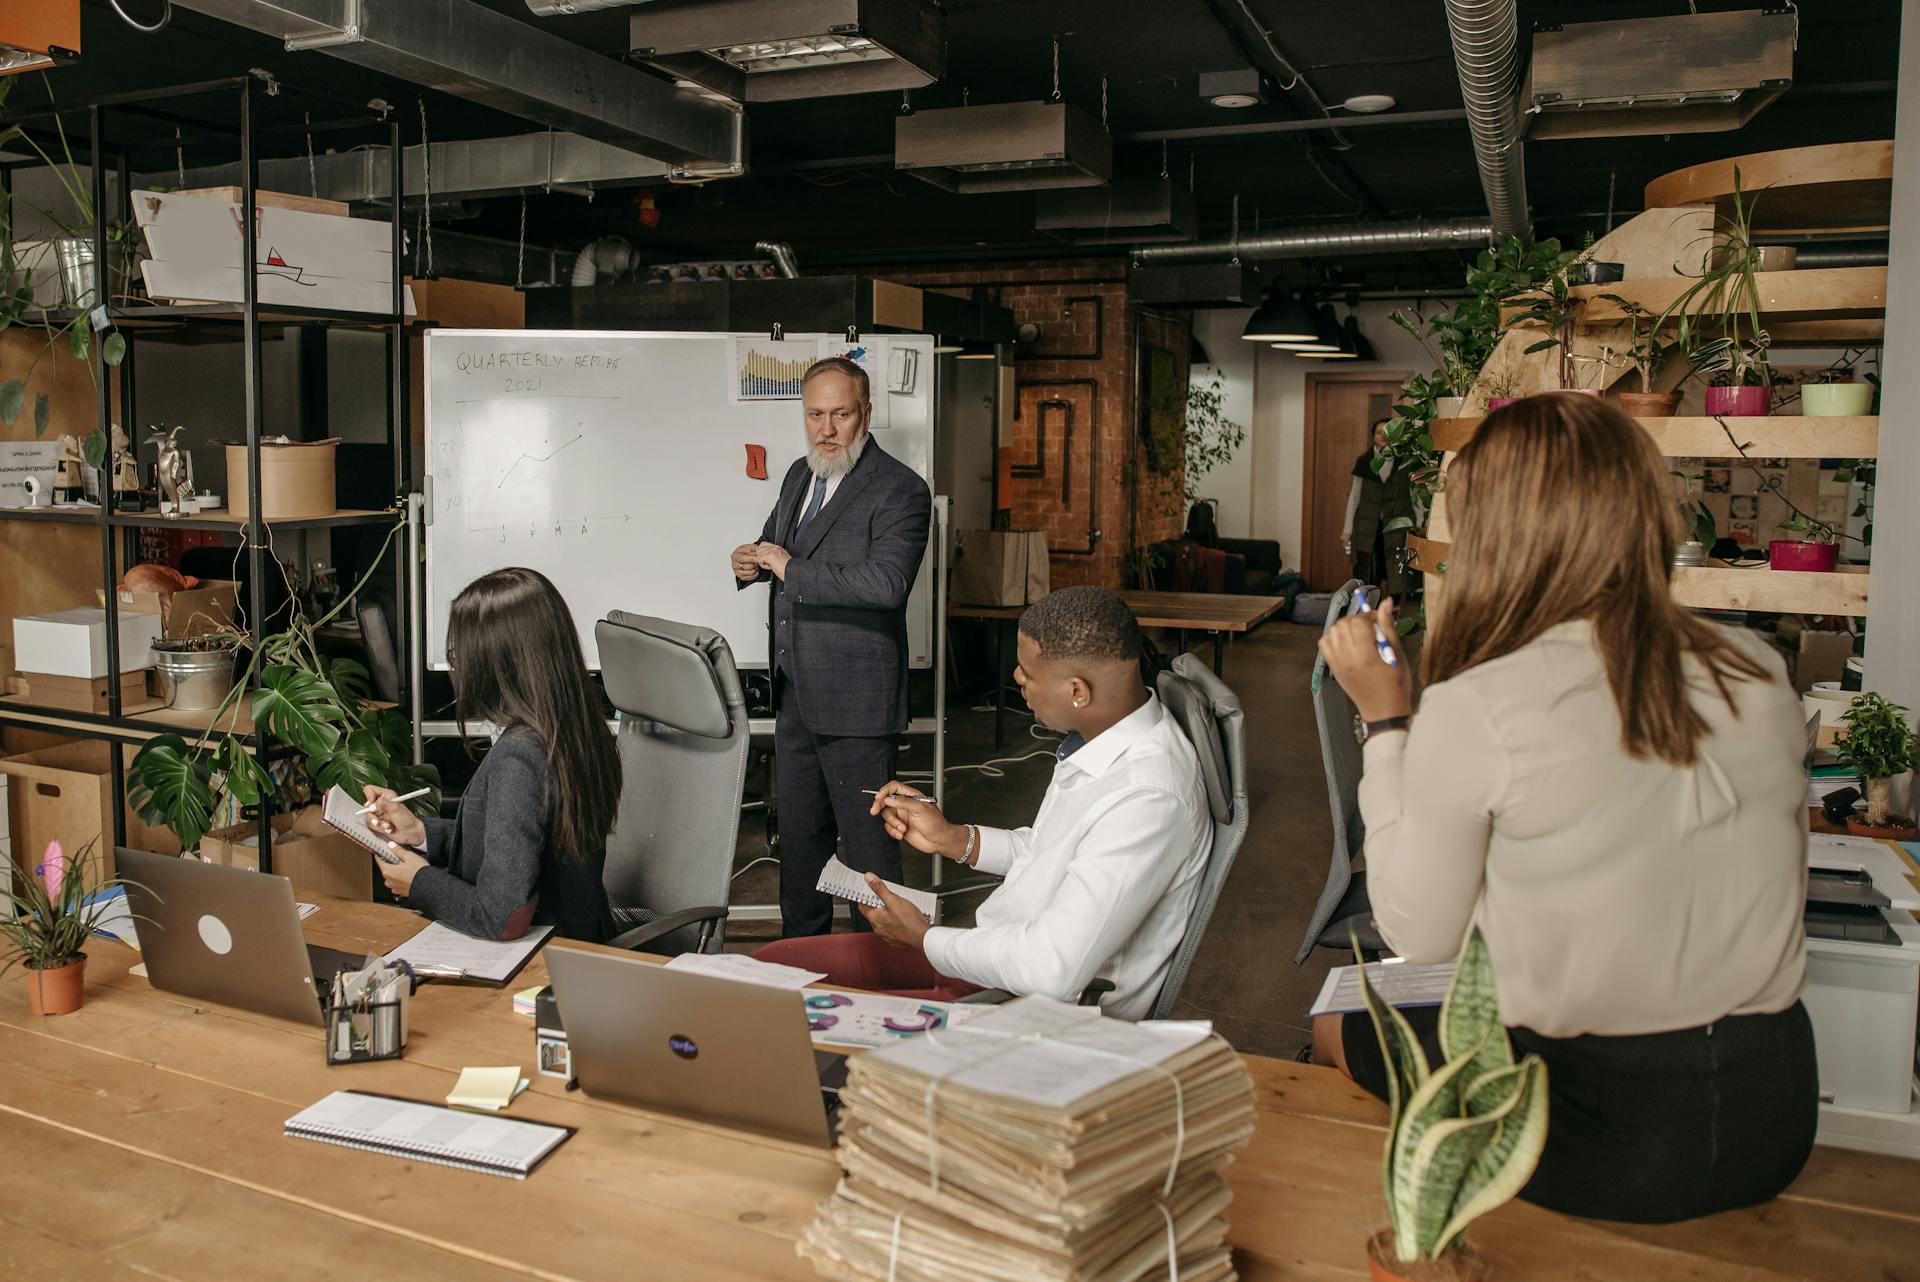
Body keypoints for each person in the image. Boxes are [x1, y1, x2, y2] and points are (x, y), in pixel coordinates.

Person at [1313, 393, 1816, 1224]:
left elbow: (1417, 932)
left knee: (1338, 1016)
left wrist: (1386, 718)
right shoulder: (1757, 669)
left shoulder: (1484, 703)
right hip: (1775, 1105)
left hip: (1607, 1129)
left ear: (1495, 535)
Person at [755, 586, 1211, 1020]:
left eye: (1028, 673)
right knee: (776, 966)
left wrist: (924, 938)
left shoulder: (1147, 797)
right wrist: (954, 840)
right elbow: (1052, 852)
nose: (1017, 679)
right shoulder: (1109, 739)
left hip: (1022, 1007)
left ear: (1077, 691)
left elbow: (1051, 969)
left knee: (777, 999)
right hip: (995, 967)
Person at [730, 356, 932, 938]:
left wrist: (788, 565)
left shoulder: (900, 489)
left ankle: (884, 971)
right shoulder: (800, 473)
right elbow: (776, 545)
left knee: (869, 852)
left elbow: (886, 584)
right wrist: (750, 562)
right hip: (796, 692)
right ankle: (804, 961)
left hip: (858, 703)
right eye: (815, 414)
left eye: (840, 414)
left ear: (865, 414)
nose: (826, 428)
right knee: (799, 842)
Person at [362, 566, 620, 944]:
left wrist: (418, 881)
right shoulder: (577, 727)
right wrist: (420, 833)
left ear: (493, 661)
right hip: (581, 941)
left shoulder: (520, 756)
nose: (455, 665)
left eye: (458, 653)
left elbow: (501, 917)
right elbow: (518, 841)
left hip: (541, 964)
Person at [1342, 418, 1415, 591]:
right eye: (1378, 432)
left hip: (1397, 526)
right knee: (1367, 571)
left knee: (1396, 569)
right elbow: (1354, 497)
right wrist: (1347, 530)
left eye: (1387, 431)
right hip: (1368, 527)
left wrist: (1418, 526)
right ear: (1373, 436)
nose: (1383, 436)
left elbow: (1414, 497)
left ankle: (1393, 611)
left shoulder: (1404, 461)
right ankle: (1367, 611)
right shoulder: (1364, 461)